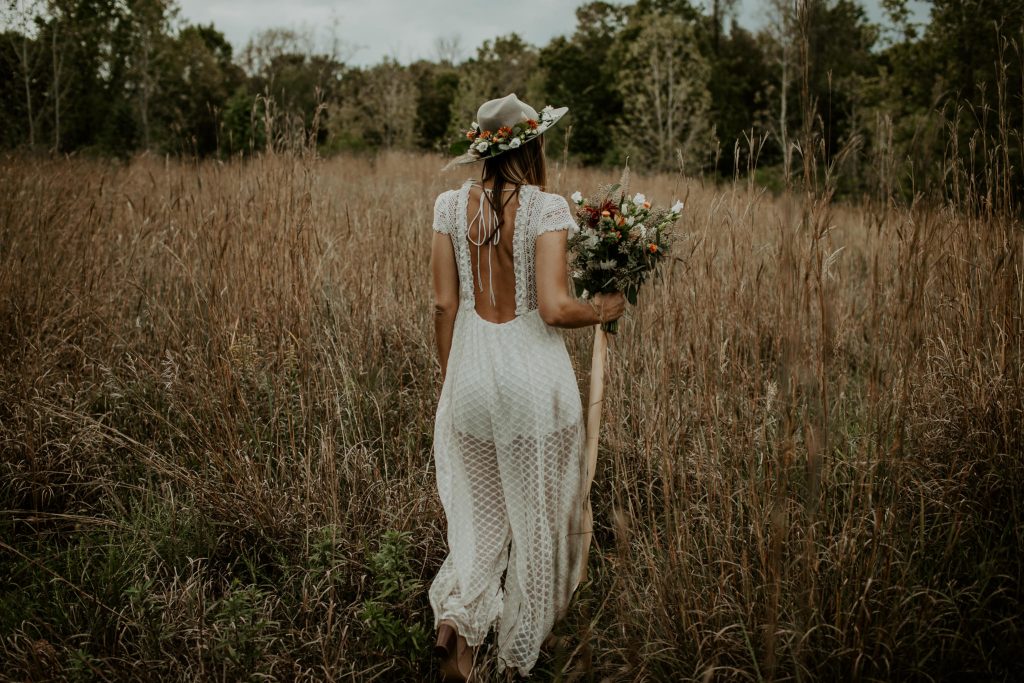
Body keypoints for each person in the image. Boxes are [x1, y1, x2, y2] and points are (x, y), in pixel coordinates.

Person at [428, 93, 625, 681]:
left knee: (483, 516)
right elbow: (554, 307)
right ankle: (516, 657)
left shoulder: (446, 206)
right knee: (537, 522)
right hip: (531, 384)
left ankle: (458, 627)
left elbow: (443, 302)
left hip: (468, 377)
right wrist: (602, 309)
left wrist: (452, 378)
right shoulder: (545, 208)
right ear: (533, 144)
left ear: (482, 152)